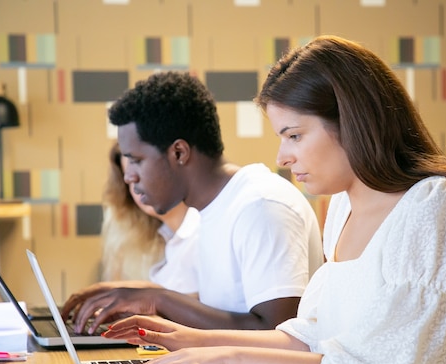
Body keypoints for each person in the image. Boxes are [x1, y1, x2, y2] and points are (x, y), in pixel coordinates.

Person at [102, 35, 446, 364]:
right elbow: (314, 337)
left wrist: (227, 358)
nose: (283, 156)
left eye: (294, 135)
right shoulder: (343, 208)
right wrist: (196, 342)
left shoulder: (436, 207)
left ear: (352, 120)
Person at [63, 71, 324, 334]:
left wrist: (158, 300)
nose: (129, 176)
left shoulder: (261, 206)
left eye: (137, 160)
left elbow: (275, 332)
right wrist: (141, 295)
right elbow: (228, 312)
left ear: (179, 152)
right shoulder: (210, 211)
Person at [63, 142, 199, 312]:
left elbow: (201, 306)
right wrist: (116, 292)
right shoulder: (169, 239)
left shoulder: (200, 231)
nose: (135, 185)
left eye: (140, 172)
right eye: (128, 179)